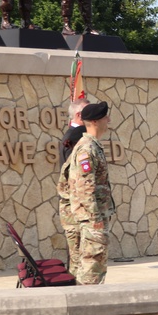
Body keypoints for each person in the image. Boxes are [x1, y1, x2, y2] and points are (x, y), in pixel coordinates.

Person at [58, 101, 116, 284]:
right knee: (92, 269)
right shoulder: (87, 149)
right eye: (105, 117)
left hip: (90, 218)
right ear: (96, 122)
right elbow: (84, 189)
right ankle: (88, 307)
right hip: (91, 220)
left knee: (87, 267)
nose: (109, 120)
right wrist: (95, 220)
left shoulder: (91, 145)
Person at [58, 97, 89, 167]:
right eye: (88, 112)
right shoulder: (75, 137)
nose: (92, 115)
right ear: (79, 115)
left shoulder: (79, 134)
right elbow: (75, 169)